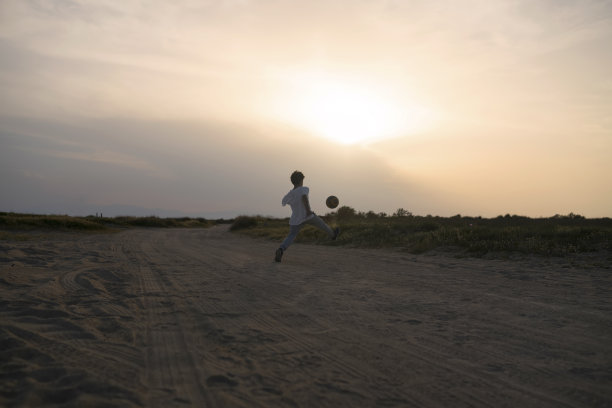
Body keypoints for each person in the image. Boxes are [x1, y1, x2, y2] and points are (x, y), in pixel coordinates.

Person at [275, 171, 339, 262]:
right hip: (307, 215)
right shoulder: (304, 189)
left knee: (291, 235)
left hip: (295, 219)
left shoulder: (289, 194)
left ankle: (281, 249)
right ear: (301, 180)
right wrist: (308, 210)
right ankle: (333, 235)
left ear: (292, 181)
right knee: (322, 224)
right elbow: (304, 197)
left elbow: (283, 202)